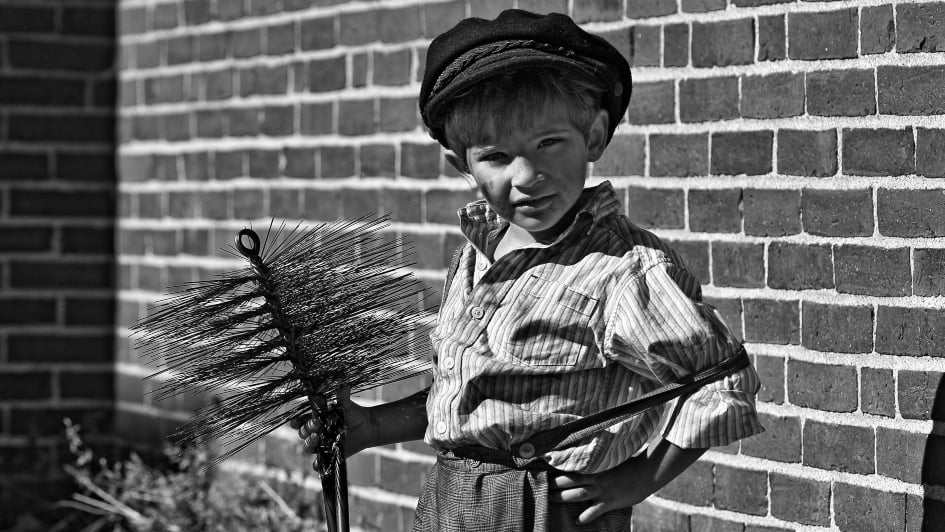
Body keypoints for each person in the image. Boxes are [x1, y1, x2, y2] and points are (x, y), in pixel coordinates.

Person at [292, 9, 763, 531]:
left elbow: (720, 380)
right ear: (462, 165)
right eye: (496, 156)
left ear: (595, 136)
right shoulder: (476, 257)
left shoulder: (622, 270)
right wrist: (371, 425)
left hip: (546, 511)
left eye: (548, 144)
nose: (526, 176)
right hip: (451, 506)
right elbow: (475, 397)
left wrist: (637, 479)